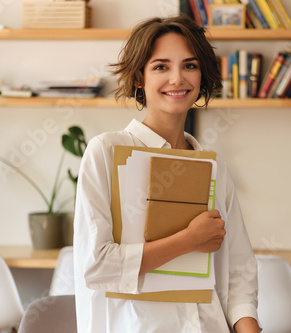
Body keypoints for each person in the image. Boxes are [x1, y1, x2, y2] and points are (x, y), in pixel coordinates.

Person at [73, 15, 260, 333]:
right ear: (138, 78)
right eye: (161, 66)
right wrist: (189, 240)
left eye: (190, 65)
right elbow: (97, 266)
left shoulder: (217, 171)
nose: (178, 78)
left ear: (202, 75)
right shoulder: (105, 152)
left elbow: (239, 273)